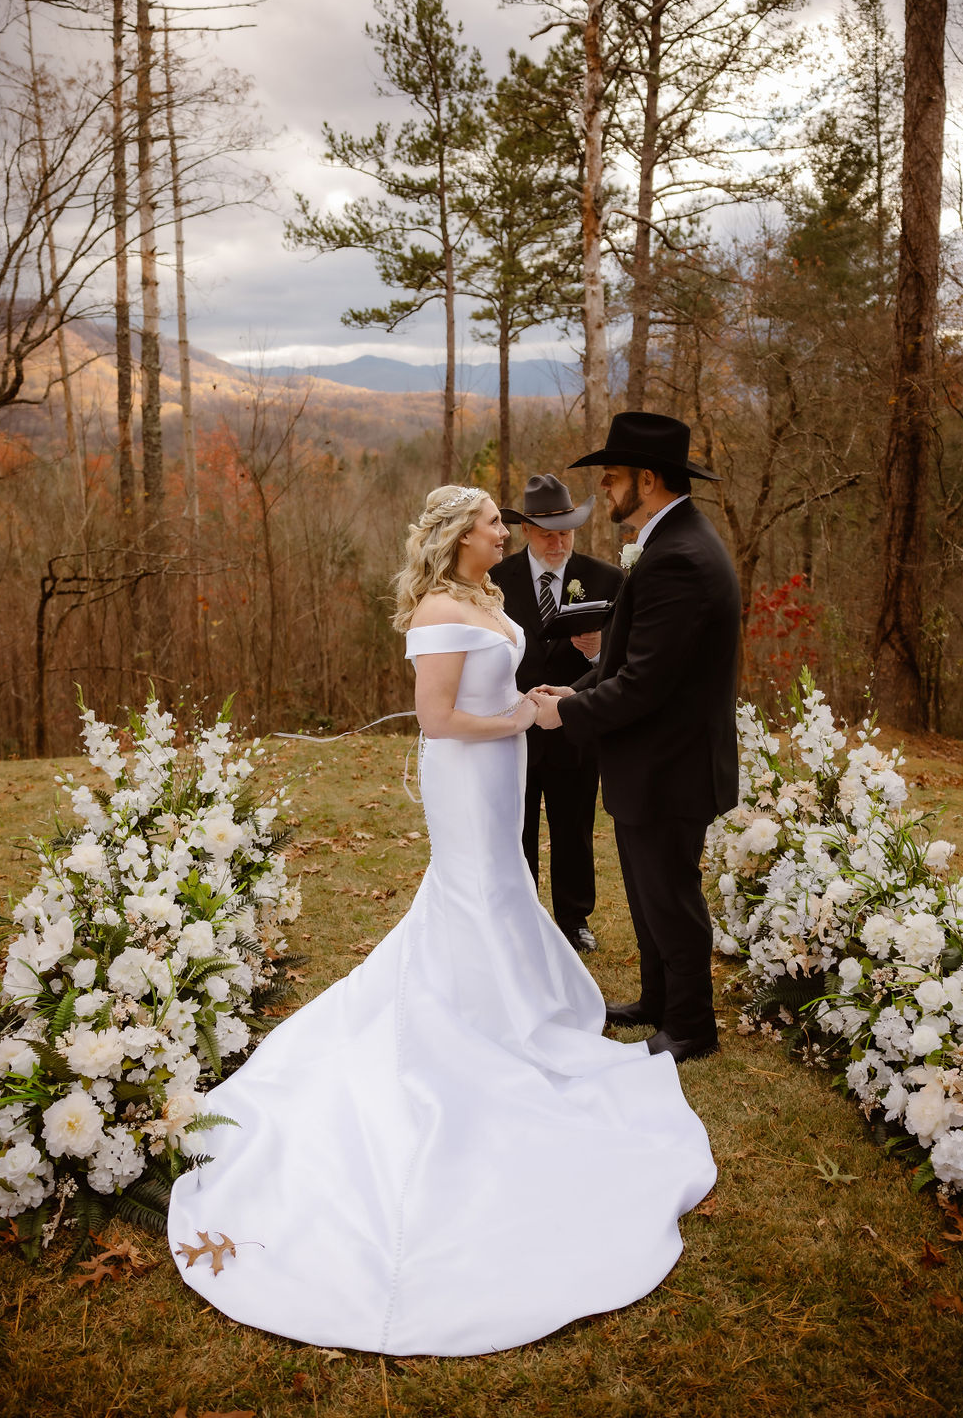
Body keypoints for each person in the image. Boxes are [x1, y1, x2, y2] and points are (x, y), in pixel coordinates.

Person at [168, 484, 716, 1357]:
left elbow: (488, 686)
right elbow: (436, 718)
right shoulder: (434, 607)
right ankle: (471, 1021)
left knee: (502, 885)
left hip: (498, 766)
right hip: (468, 772)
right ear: (463, 535)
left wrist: (530, 696)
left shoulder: (487, 599)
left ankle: (500, 1007)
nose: (510, 529)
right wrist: (517, 719)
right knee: (474, 889)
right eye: (497, 520)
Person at [531, 414, 741, 1065]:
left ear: (648, 480)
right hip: (651, 762)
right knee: (650, 896)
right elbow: (632, 658)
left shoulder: (680, 557)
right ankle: (657, 1003)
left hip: (669, 765)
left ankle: (691, 1027)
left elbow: (647, 683)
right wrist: (579, 689)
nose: (606, 486)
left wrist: (566, 715)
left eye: (614, 476)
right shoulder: (670, 542)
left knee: (671, 899)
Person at [490, 474, 623, 953]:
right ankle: (523, 916)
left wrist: (594, 654)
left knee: (574, 827)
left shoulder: (607, 579)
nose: (557, 540)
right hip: (512, 723)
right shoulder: (494, 582)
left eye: (566, 530)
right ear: (525, 530)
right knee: (517, 826)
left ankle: (573, 920)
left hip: (574, 723)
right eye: (547, 531)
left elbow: (622, 663)